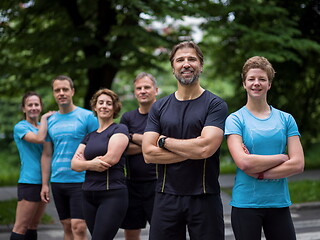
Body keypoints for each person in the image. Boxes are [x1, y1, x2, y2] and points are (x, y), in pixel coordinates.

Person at [142, 41, 228, 240]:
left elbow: (205, 149)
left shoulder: (215, 105)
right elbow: (148, 153)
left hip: (205, 196)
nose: (186, 64)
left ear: (201, 65)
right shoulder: (159, 107)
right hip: (166, 196)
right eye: (180, 60)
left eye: (192, 59)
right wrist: (192, 149)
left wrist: (163, 141)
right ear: (173, 68)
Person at [224, 56, 305, 240]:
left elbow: (298, 164)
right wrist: (282, 158)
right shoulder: (235, 120)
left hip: (279, 204)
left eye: (262, 79)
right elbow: (244, 163)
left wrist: (260, 173)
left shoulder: (286, 119)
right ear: (244, 83)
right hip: (246, 205)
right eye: (251, 79)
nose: (256, 83)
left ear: (269, 84)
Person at [40, 75, 99, 240]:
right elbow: (46, 154)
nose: (61, 93)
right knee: (66, 226)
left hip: (80, 179)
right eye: (57, 90)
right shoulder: (50, 120)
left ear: (72, 91)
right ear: (53, 93)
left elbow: (97, 145)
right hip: (58, 180)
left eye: (65, 89)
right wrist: (45, 184)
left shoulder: (87, 117)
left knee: (79, 227)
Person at [71, 88, 129, 240]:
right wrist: (91, 164)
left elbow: (111, 159)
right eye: (101, 103)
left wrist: (85, 163)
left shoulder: (119, 129)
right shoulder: (89, 136)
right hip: (88, 195)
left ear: (115, 108)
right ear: (95, 107)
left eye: (109, 103)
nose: (104, 106)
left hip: (112, 194)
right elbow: (74, 164)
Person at [11, 91, 55, 240]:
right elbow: (38, 138)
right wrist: (45, 118)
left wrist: (45, 184)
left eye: (36, 104)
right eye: (30, 105)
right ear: (24, 108)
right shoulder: (21, 127)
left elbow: (48, 153)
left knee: (33, 225)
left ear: (41, 106)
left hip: (43, 182)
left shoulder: (45, 128)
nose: (33, 108)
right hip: (28, 182)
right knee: (21, 227)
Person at [120, 72, 158, 240]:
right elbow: (121, 148)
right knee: (131, 230)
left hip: (159, 183)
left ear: (156, 90)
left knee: (161, 231)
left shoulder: (163, 113)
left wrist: (132, 136)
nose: (143, 91)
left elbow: (164, 144)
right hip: (132, 184)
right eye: (139, 88)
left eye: (147, 87)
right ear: (135, 92)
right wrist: (151, 143)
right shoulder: (127, 117)